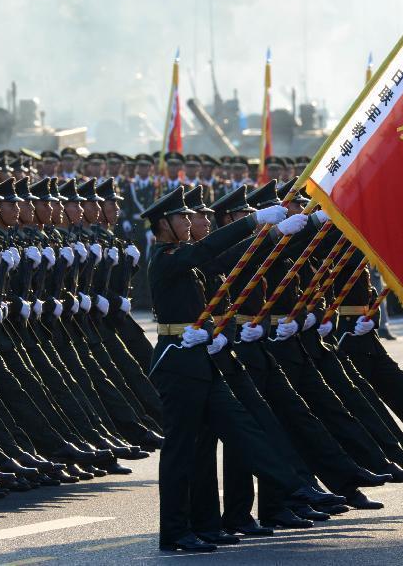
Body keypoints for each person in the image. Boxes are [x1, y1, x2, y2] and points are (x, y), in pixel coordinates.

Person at [141, 186, 337, 552]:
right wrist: (253, 221)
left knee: (245, 430)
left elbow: (229, 259)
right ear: (162, 224)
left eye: (188, 215)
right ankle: (174, 531)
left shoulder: (185, 257)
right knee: (183, 453)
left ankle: (295, 488)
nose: (188, 221)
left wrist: (281, 232)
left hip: (201, 360)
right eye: (181, 216)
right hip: (178, 363)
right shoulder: (165, 258)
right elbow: (208, 251)